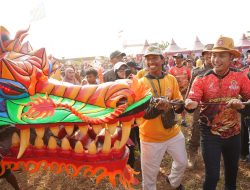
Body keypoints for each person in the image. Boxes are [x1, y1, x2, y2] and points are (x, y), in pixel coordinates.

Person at [185, 36, 250, 190]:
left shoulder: (240, 77)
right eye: (214, 55)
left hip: (234, 134)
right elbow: (191, 102)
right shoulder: (201, 79)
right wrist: (190, 104)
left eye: (222, 55)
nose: (216, 59)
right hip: (209, 134)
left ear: (231, 57)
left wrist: (241, 107)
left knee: (231, 176)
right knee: (212, 176)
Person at [139, 46, 187, 190]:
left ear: (162, 59)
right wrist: (157, 108)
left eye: (154, 58)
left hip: (173, 132)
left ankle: (173, 181)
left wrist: (177, 105)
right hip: (150, 137)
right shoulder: (141, 83)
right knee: (149, 175)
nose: (151, 61)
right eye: (148, 59)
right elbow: (141, 112)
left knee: (182, 162)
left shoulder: (170, 78)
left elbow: (178, 102)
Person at [185, 44, 214, 169]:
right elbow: (190, 88)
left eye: (211, 53)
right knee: (196, 130)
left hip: (214, 106)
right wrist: (186, 103)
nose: (209, 55)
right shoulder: (196, 71)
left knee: (214, 131)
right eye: (206, 53)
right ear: (202, 56)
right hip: (199, 106)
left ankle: (211, 155)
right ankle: (192, 155)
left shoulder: (220, 71)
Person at [169, 53, 191, 127]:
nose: (176, 60)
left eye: (178, 58)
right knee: (174, 105)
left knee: (183, 105)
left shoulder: (186, 69)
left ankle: (183, 120)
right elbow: (170, 81)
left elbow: (190, 79)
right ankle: (173, 120)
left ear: (182, 59)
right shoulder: (171, 70)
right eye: (175, 58)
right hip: (176, 91)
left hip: (185, 91)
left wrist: (186, 88)